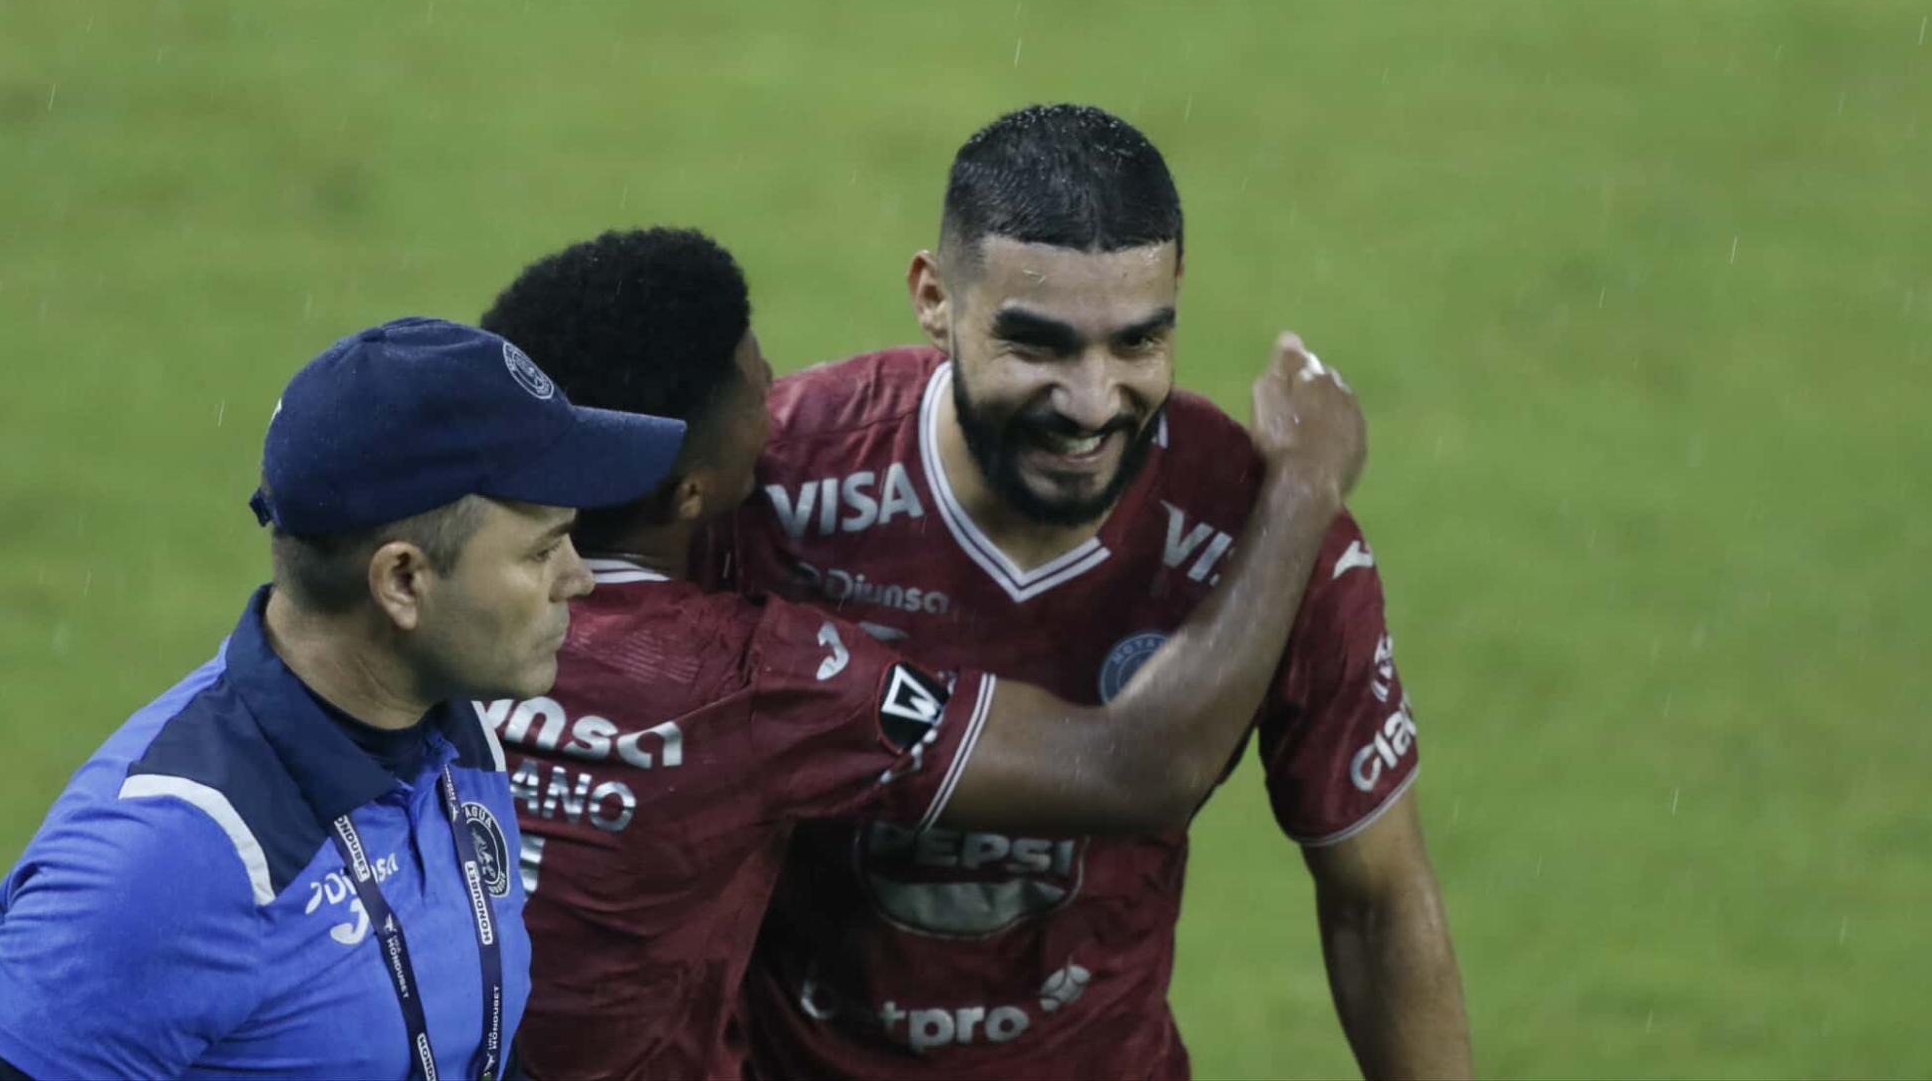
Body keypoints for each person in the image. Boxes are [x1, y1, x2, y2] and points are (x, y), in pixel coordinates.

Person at [476, 227, 1365, 1079]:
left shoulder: (424, 603)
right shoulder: (759, 683)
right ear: (692, 492)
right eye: (754, 394)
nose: (778, 397)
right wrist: (1302, 487)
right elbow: (1138, 767)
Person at [719, 104, 1473, 1079]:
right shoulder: (769, 485)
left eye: (1134, 344)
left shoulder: (1261, 537)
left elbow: (1373, 893)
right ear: (933, 297)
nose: (1088, 401)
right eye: (1037, 346)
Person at [0, 318, 687, 1080]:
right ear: (402, 581)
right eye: (541, 548)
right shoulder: (167, 864)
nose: (579, 578)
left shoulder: (457, 735)